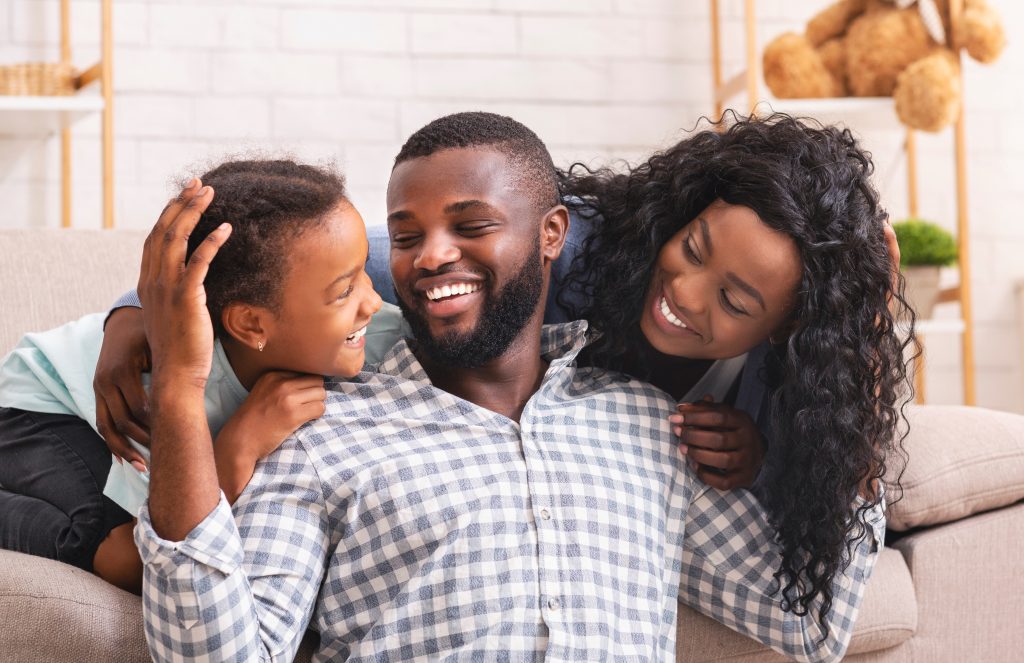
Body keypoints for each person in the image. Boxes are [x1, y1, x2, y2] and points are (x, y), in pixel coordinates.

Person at [134, 112, 885, 662]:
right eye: (405, 235)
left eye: (471, 225)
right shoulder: (320, 429)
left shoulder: (650, 425)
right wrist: (176, 386)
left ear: (552, 234)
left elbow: (808, 623)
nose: (431, 255)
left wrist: (870, 355)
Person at [365, 113, 912, 628]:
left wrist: (762, 461)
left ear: (784, 327)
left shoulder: (795, 384)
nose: (686, 293)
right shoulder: (565, 251)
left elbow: (813, 546)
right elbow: (352, 264)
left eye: (734, 302)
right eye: (693, 250)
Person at [0, 158, 391, 593]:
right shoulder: (151, 396)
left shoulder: (376, 323)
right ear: (251, 325)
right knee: (105, 545)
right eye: (345, 291)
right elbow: (149, 557)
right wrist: (235, 451)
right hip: (43, 403)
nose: (373, 301)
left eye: (366, 272)